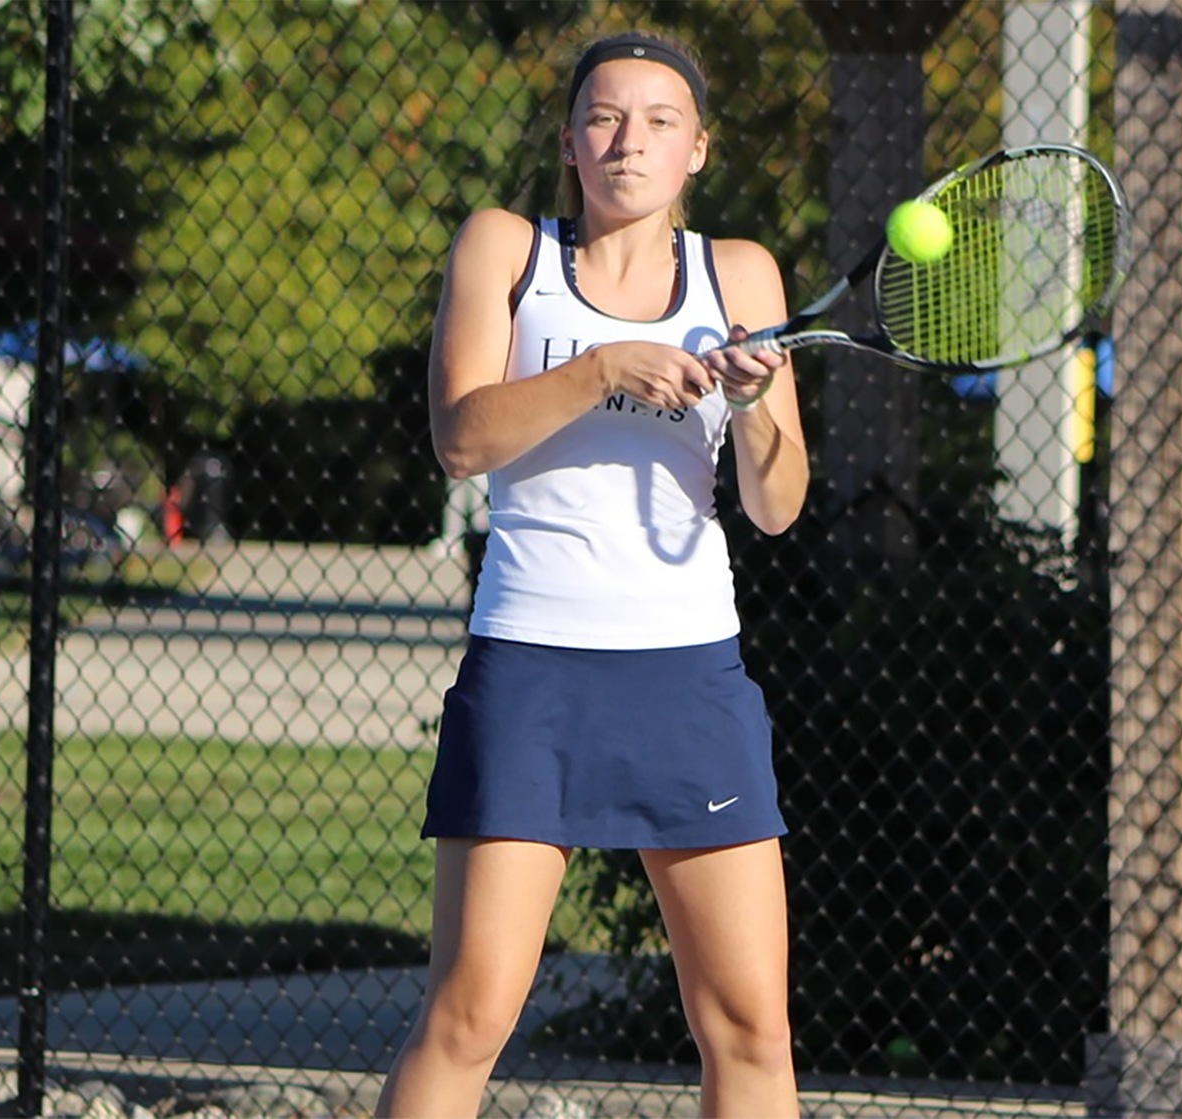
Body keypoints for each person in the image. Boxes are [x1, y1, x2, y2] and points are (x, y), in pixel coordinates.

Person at [373, 31, 807, 1118]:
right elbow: (461, 440)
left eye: (661, 122)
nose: (630, 140)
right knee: (470, 1013)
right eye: (606, 118)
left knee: (750, 1028)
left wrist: (752, 405)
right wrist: (601, 368)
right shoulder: (505, 248)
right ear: (570, 141)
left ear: (698, 149)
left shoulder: (741, 273)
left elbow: (778, 504)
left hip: (689, 677)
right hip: (533, 671)